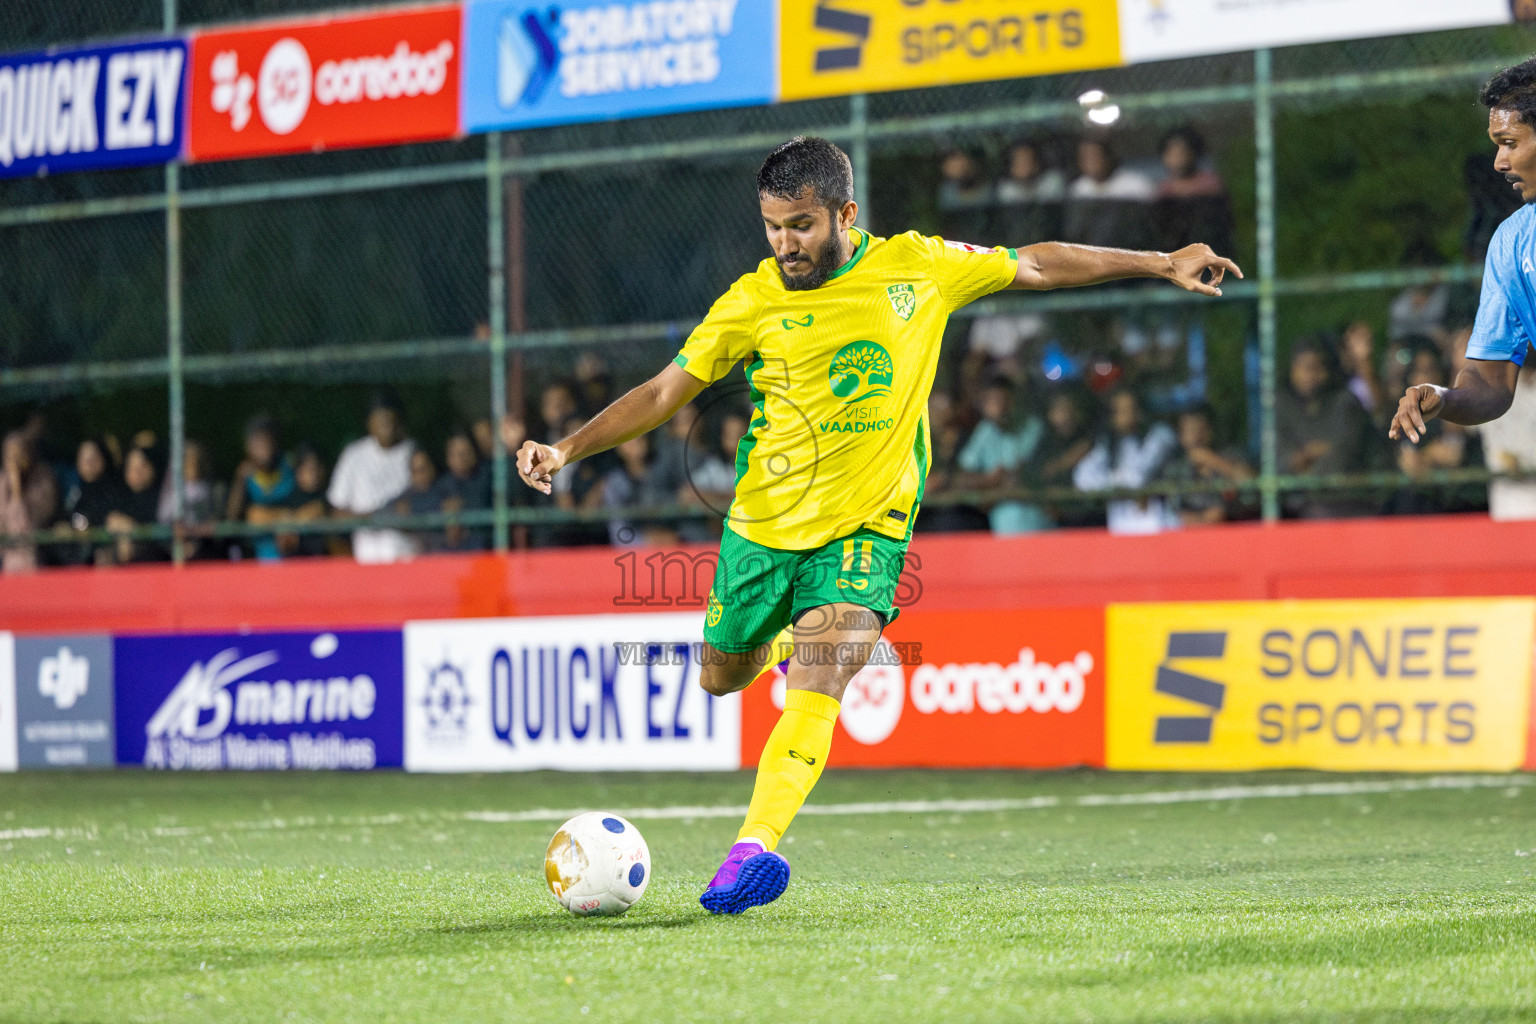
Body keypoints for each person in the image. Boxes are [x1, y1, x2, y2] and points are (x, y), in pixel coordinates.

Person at [514, 135, 1238, 915]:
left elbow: (1035, 262)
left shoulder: (917, 266)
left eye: (801, 225)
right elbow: (663, 394)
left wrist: (1161, 260)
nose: (786, 244)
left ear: (845, 213)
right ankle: (785, 640)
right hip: (761, 529)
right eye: (773, 227)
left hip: (869, 529)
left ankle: (750, 852)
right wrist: (568, 446)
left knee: (823, 676)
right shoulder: (751, 300)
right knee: (720, 676)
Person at [1392, 59, 1536, 451]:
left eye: (1509, 143)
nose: (1499, 163)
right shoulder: (1511, 242)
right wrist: (1443, 398)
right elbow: (1491, 380)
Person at [1278, 338, 1375, 518]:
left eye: (1316, 368)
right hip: (1296, 500)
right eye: (1303, 368)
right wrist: (1306, 455)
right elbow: (1278, 458)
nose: (1310, 375)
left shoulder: (1346, 403)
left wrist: (1310, 465)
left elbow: (1345, 452)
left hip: (1349, 498)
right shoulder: (1281, 405)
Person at [1072, 388, 1179, 534]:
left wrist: (1111, 480)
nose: (1127, 416)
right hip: (1121, 526)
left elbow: (1138, 478)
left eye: (1131, 409)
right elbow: (1082, 478)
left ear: (1141, 411)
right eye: (1120, 411)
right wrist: (1117, 480)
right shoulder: (1108, 444)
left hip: (1162, 523)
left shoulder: (1161, 435)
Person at [327, 391, 416, 564]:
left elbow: (428, 503)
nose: (385, 424)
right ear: (369, 423)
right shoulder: (354, 455)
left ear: (400, 419)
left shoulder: (414, 452)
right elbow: (337, 513)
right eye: (379, 419)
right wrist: (377, 517)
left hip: (409, 560)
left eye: (389, 418)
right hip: (367, 563)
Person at [1159, 405, 1254, 526]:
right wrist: (1204, 519)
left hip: (1231, 532)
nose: (1196, 436)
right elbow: (1170, 514)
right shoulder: (1173, 471)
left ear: (1210, 431)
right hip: (1188, 537)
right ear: (1181, 437)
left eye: (1201, 429)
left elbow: (1251, 482)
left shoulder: (1230, 457)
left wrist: (1213, 461)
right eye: (1190, 430)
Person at [227, 415, 296, 562]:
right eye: (256, 442)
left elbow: (303, 509)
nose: (262, 447)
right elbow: (232, 517)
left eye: (266, 440)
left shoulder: (289, 467)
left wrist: (268, 516)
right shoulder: (245, 475)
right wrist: (240, 481)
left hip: (290, 554)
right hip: (255, 556)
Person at [157, 439, 226, 561]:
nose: (190, 465)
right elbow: (164, 521)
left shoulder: (212, 490)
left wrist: (193, 535)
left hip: (203, 547)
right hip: (173, 547)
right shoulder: (171, 493)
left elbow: (213, 522)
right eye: (186, 461)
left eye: (194, 461)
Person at [55, 437, 120, 566]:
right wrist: (61, 526)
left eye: (94, 457)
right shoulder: (71, 490)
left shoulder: (116, 490)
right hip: (72, 564)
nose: (88, 462)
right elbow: (62, 518)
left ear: (104, 459)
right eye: (83, 457)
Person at [0, 430, 58, 573]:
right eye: (10, 455)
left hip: (37, 556)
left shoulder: (43, 479)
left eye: (19, 454)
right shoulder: (2, 480)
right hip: (7, 558)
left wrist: (16, 490)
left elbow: (24, 525)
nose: (14, 461)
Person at [106, 445, 166, 563]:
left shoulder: (165, 498)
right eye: (131, 467)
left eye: (143, 465)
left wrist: (133, 529)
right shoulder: (117, 499)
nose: (137, 472)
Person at [436, 430, 492, 551]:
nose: (461, 458)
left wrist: (462, 506)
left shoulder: (487, 477)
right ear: (448, 457)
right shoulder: (441, 484)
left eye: (465, 452)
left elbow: (486, 504)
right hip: (447, 554)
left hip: (481, 551)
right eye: (456, 453)